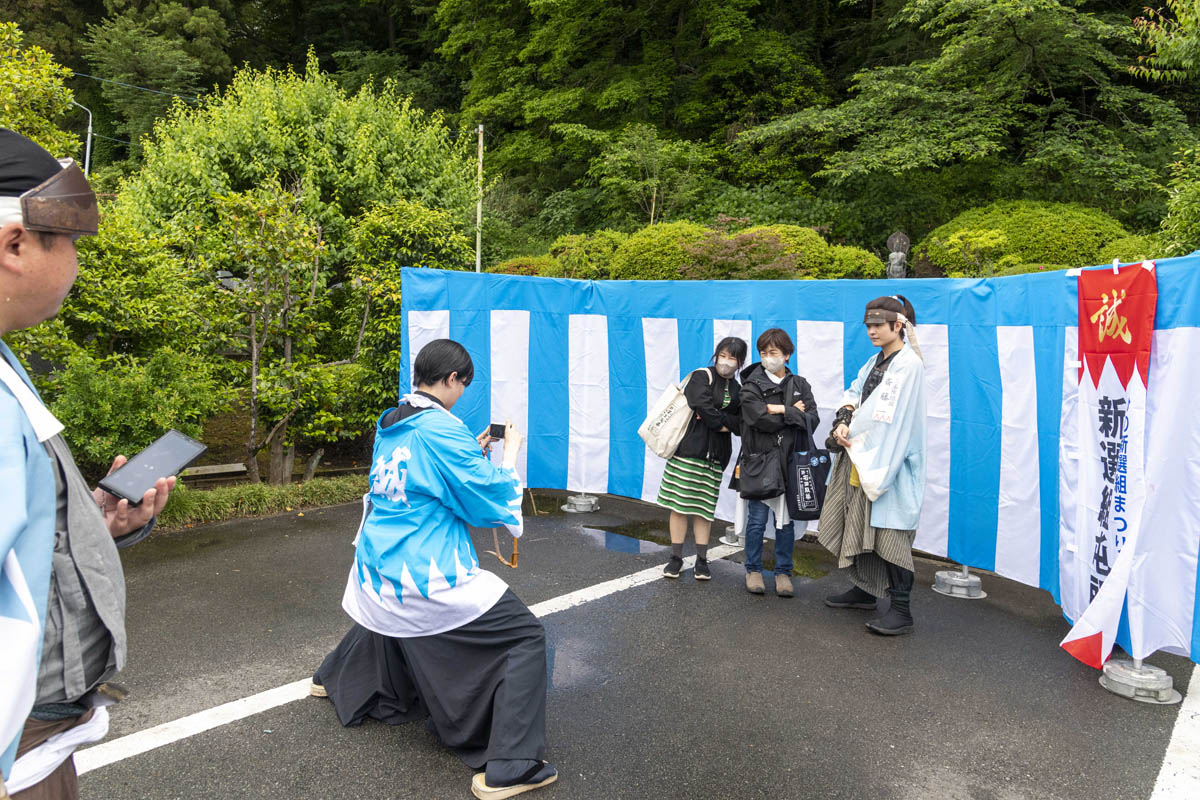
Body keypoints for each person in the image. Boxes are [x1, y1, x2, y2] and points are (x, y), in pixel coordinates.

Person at [0, 129, 176, 799]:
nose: (76, 258)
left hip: (37, 742)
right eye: (66, 240)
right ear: (15, 244)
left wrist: (94, 525)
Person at [312, 339, 556, 800]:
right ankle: (512, 766)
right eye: (462, 384)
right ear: (450, 380)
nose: (463, 393)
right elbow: (486, 499)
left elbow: (432, 480)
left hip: (376, 559)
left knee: (387, 614)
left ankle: (333, 675)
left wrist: (471, 450)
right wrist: (509, 455)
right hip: (423, 569)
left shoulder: (395, 419)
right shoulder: (441, 430)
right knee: (526, 635)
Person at [818, 295, 926, 636]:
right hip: (864, 454)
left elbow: (889, 420)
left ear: (899, 325)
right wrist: (844, 417)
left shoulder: (908, 366)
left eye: (878, 325)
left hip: (888, 461)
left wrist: (853, 434)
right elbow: (855, 393)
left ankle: (901, 608)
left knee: (890, 533)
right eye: (868, 326)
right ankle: (865, 590)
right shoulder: (876, 361)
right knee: (859, 522)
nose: (872, 331)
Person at [737, 328, 818, 598]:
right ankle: (753, 569)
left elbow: (813, 420)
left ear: (787, 355)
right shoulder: (751, 384)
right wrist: (794, 412)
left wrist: (781, 409)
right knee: (757, 520)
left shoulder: (800, 384)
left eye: (773, 352)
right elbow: (759, 420)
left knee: (786, 522)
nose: (768, 357)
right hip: (760, 461)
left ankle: (784, 572)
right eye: (763, 353)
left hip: (791, 462)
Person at [658, 337, 746, 581]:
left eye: (733, 358)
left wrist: (717, 420)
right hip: (688, 451)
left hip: (715, 457)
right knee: (679, 507)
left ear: (740, 362)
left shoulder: (738, 389)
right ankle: (675, 558)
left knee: (704, 510)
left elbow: (740, 423)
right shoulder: (701, 376)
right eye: (723, 355)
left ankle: (701, 560)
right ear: (716, 355)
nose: (726, 362)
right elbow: (700, 404)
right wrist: (720, 420)